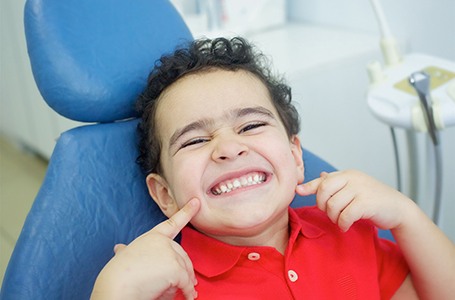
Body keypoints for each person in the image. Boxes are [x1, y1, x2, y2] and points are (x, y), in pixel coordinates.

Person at [91, 37, 455, 299]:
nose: (230, 148)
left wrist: (406, 215)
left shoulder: (350, 234)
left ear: (296, 158)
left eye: (250, 126)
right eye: (195, 140)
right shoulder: (170, 284)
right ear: (165, 194)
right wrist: (113, 293)